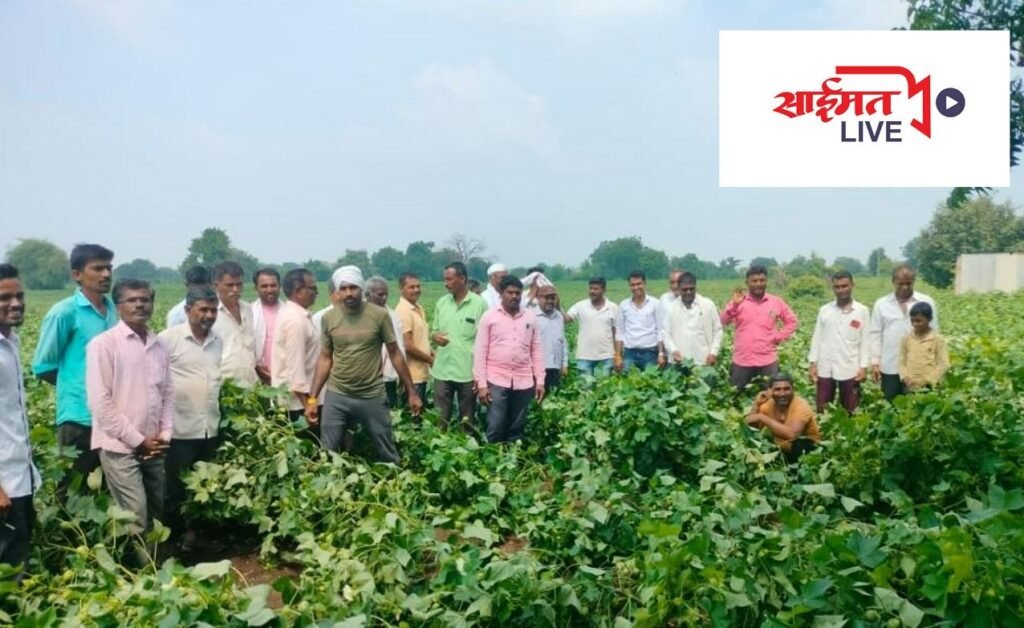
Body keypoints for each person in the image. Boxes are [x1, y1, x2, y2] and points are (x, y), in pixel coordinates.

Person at [87, 279, 174, 558]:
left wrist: (165, 434)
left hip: (154, 446)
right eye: (132, 300)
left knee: (156, 510)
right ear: (119, 306)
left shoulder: (159, 344)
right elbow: (101, 403)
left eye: (145, 299)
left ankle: (152, 565)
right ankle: (140, 578)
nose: (140, 304)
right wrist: (137, 440)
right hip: (119, 447)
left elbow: (168, 393)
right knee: (135, 513)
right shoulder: (104, 345)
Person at [307, 267, 422, 463]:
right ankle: (333, 488)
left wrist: (411, 392)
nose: (348, 293)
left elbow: (395, 353)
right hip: (338, 394)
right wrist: (312, 400)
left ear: (362, 289)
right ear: (337, 291)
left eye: (353, 288)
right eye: (343, 288)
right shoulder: (329, 318)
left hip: (372, 394)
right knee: (328, 450)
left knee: (386, 449)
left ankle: (395, 483)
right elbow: (325, 358)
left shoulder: (379, 315)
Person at [32, 243, 117, 495]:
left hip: (110, 415)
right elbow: (43, 365)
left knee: (103, 488)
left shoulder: (112, 308)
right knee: (72, 487)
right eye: (98, 268)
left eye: (109, 268)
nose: (106, 274)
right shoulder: (64, 312)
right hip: (77, 416)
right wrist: (78, 388)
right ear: (77, 275)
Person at [159, 286, 222, 551]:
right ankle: (170, 542)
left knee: (204, 487)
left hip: (210, 427)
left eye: (212, 310)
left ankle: (197, 538)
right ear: (187, 310)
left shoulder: (217, 340)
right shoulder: (168, 340)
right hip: (179, 429)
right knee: (175, 489)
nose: (208, 315)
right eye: (202, 309)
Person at [0, 264, 39, 576]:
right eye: (5, 297)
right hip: (3, 480)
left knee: (17, 560)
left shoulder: (10, 342)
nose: (15, 303)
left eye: (19, 295)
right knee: (8, 568)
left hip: (18, 474)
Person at [474, 276, 545, 443]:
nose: (514, 296)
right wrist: (482, 385)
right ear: (501, 294)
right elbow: (480, 351)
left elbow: (536, 349)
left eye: (517, 293)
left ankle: (513, 461)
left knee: (517, 426)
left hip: (523, 379)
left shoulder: (530, 317)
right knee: (496, 425)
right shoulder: (489, 317)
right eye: (510, 293)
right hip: (497, 378)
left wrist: (540, 380)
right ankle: (493, 460)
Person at [431, 262, 488, 430]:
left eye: (449, 279)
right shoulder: (442, 303)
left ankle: (465, 450)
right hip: (442, 369)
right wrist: (435, 336)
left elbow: (485, 342)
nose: (445, 283)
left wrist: (481, 374)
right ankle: (439, 448)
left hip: (467, 371)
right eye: (444, 279)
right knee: (440, 418)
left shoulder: (479, 305)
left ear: (462, 279)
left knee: (467, 418)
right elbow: (434, 330)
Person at [720, 265, 798, 389]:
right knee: (736, 398)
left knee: (771, 398)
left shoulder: (776, 301)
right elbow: (723, 321)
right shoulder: (739, 300)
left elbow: (792, 321)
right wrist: (734, 305)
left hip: (768, 360)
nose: (758, 284)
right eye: (754, 281)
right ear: (747, 283)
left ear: (766, 281)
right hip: (742, 359)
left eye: (762, 280)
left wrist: (778, 336)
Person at [870, 264, 938, 401]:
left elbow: (934, 332)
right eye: (900, 283)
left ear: (914, 281)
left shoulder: (926, 302)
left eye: (909, 283)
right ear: (893, 282)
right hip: (890, 365)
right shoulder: (881, 304)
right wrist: (875, 362)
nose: (905, 287)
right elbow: (875, 334)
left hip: (919, 366)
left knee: (917, 406)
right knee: (890, 405)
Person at [807, 271, 870, 414]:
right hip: (825, 365)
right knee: (822, 407)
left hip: (850, 365)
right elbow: (817, 337)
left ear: (852, 285)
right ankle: (823, 435)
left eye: (845, 286)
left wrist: (864, 366)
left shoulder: (862, 311)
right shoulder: (825, 310)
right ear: (832, 288)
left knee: (850, 409)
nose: (841, 290)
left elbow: (866, 341)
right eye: (837, 287)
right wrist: (813, 363)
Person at [272, 269, 320, 421]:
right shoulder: (296, 321)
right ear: (298, 291)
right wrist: (309, 406)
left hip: (301, 402)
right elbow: (296, 371)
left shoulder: (298, 315)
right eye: (312, 288)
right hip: (298, 405)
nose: (316, 293)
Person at [745, 373, 820, 463]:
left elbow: (792, 435)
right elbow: (751, 432)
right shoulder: (766, 406)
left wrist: (762, 417)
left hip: (806, 450)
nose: (782, 394)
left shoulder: (801, 405)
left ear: (793, 390)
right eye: (777, 389)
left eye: (787, 389)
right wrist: (756, 404)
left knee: (801, 444)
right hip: (779, 449)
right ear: (769, 391)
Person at [661, 272, 722, 372]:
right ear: (679, 289)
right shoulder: (672, 308)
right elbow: (666, 333)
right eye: (685, 289)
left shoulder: (708, 305)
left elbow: (718, 330)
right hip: (679, 362)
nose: (688, 292)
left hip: (703, 362)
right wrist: (673, 350)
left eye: (691, 289)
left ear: (695, 287)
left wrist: (713, 352)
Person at [211, 261, 259, 387]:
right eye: (230, 285)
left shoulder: (247, 309)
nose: (235, 289)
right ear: (216, 285)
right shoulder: (210, 312)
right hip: (223, 385)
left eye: (239, 284)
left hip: (250, 383)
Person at [364, 276, 406, 409]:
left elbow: (400, 347)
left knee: (390, 411)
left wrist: (402, 375)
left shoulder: (392, 316)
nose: (384, 298)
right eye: (380, 294)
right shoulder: (359, 315)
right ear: (367, 295)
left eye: (386, 294)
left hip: (389, 376)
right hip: (366, 378)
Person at [614, 270, 666, 372]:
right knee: (628, 384)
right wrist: (618, 355)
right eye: (633, 285)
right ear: (629, 286)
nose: (636, 287)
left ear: (645, 283)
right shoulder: (624, 305)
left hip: (650, 353)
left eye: (639, 284)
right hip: (630, 353)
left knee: (651, 383)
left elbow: (660, 330)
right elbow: (619, 332)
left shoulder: (655, 304)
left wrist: (661, 354)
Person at [565, 277, 618, 376]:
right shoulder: (580, 306)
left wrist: (618, 355)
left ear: (604, 290)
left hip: (607, 356)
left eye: (596, 289)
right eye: (590, 288)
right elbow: (566, 319)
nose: (592, 291)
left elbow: (616, 333)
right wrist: (557, 305)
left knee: (605, 388)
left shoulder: (613, 307)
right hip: (585, 355)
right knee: (585, 389)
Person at [395, 272, 433, 405]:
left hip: (421, 373)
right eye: (411, 287)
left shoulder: (418, 308)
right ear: (401, 288)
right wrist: (430, 359)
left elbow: (420, 338)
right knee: (414, 418)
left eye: (418, 286)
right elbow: (408, 345)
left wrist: (431, 351)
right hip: (412, 375)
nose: (416, 290)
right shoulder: (403, 311)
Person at [898, 302, 950, 392]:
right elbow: (901, 361)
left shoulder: (937, 339)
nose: (915, 324)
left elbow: (944, 364)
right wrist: (905, 377)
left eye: (919, 321)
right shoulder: (906, 339)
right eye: (912, 320)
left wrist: (926, 380)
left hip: (931, 386)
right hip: (910, 385)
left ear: (929, 319)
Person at [533, 284, 568, 390]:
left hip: (555, 366)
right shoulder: (531, 316)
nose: (550, 301)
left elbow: (562, 341)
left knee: (553, 400)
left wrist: (564, 363)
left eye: (552, 298)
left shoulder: (559, 316)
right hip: (538, 367)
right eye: (546, 298)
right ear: (538, 298)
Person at [251, 267, 282, 385]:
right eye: (264, 286)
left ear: (280, 286)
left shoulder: (289, 312)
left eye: (273, 285)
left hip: (287, 375)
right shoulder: (249, 313)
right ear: (256, 288)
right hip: (259, 376)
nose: (269, 290)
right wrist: (257, 368)